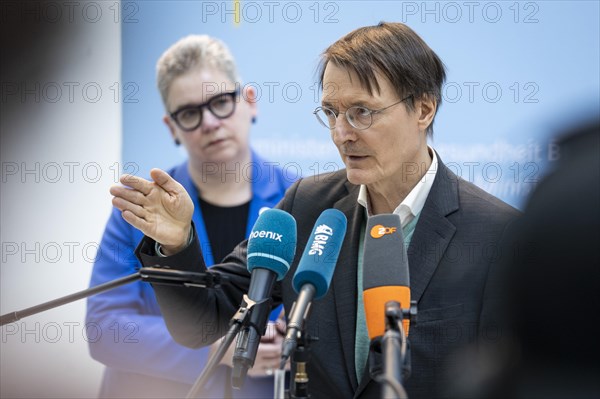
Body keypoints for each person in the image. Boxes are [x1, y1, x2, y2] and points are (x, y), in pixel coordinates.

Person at [111, 23, 520, 398]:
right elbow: (204, 321)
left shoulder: (496, 235)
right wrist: (176, 243)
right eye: (331, 113)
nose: (342, 134)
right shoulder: (307, 205)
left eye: (362, 112)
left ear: (423, 109)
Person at [86, 35, 293, 398]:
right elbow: (104, 328)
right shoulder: (141, 209)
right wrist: (214, 351)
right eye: (190, 113)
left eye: (220, 102)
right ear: (172, 127)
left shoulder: (298, 202)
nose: (210, 122)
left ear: (249, 102)